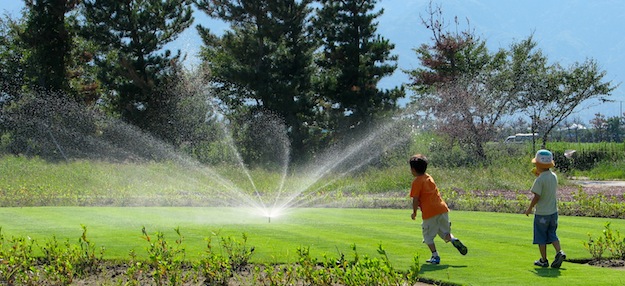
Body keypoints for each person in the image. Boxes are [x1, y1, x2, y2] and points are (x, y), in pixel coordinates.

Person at [409, 154, 467, 264]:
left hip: (430, 212)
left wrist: (414, 212)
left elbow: (415, 199)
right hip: (442, 209)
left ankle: (435, 256)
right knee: (444, 233)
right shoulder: (429, 178)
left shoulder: (417, 182)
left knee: (427, 237)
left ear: (413, 169)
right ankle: (453, 240)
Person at [524, 149, 566, 268]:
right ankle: (559, 252)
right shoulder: (553, 176)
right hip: (553, 212)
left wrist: (529, 208)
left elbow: (537, 196)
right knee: (552, 234)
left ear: (538, 165)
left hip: (542, 213)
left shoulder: (539, 180)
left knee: (541, 236)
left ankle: (544, 260)